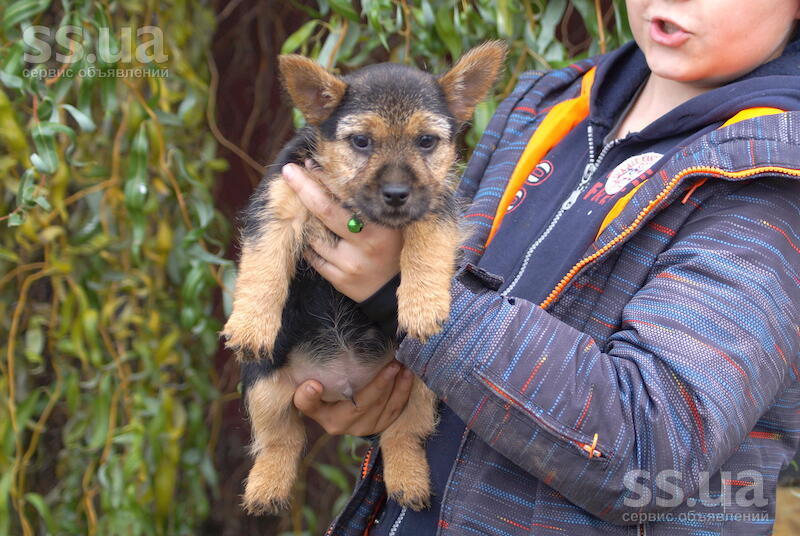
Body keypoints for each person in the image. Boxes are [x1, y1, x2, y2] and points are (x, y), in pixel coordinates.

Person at [281, 0, 800, 534]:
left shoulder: (774, 180)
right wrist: (384, 392)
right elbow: (458, 359)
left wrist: (407, 292)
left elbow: (648, 459)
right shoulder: (547, 106)